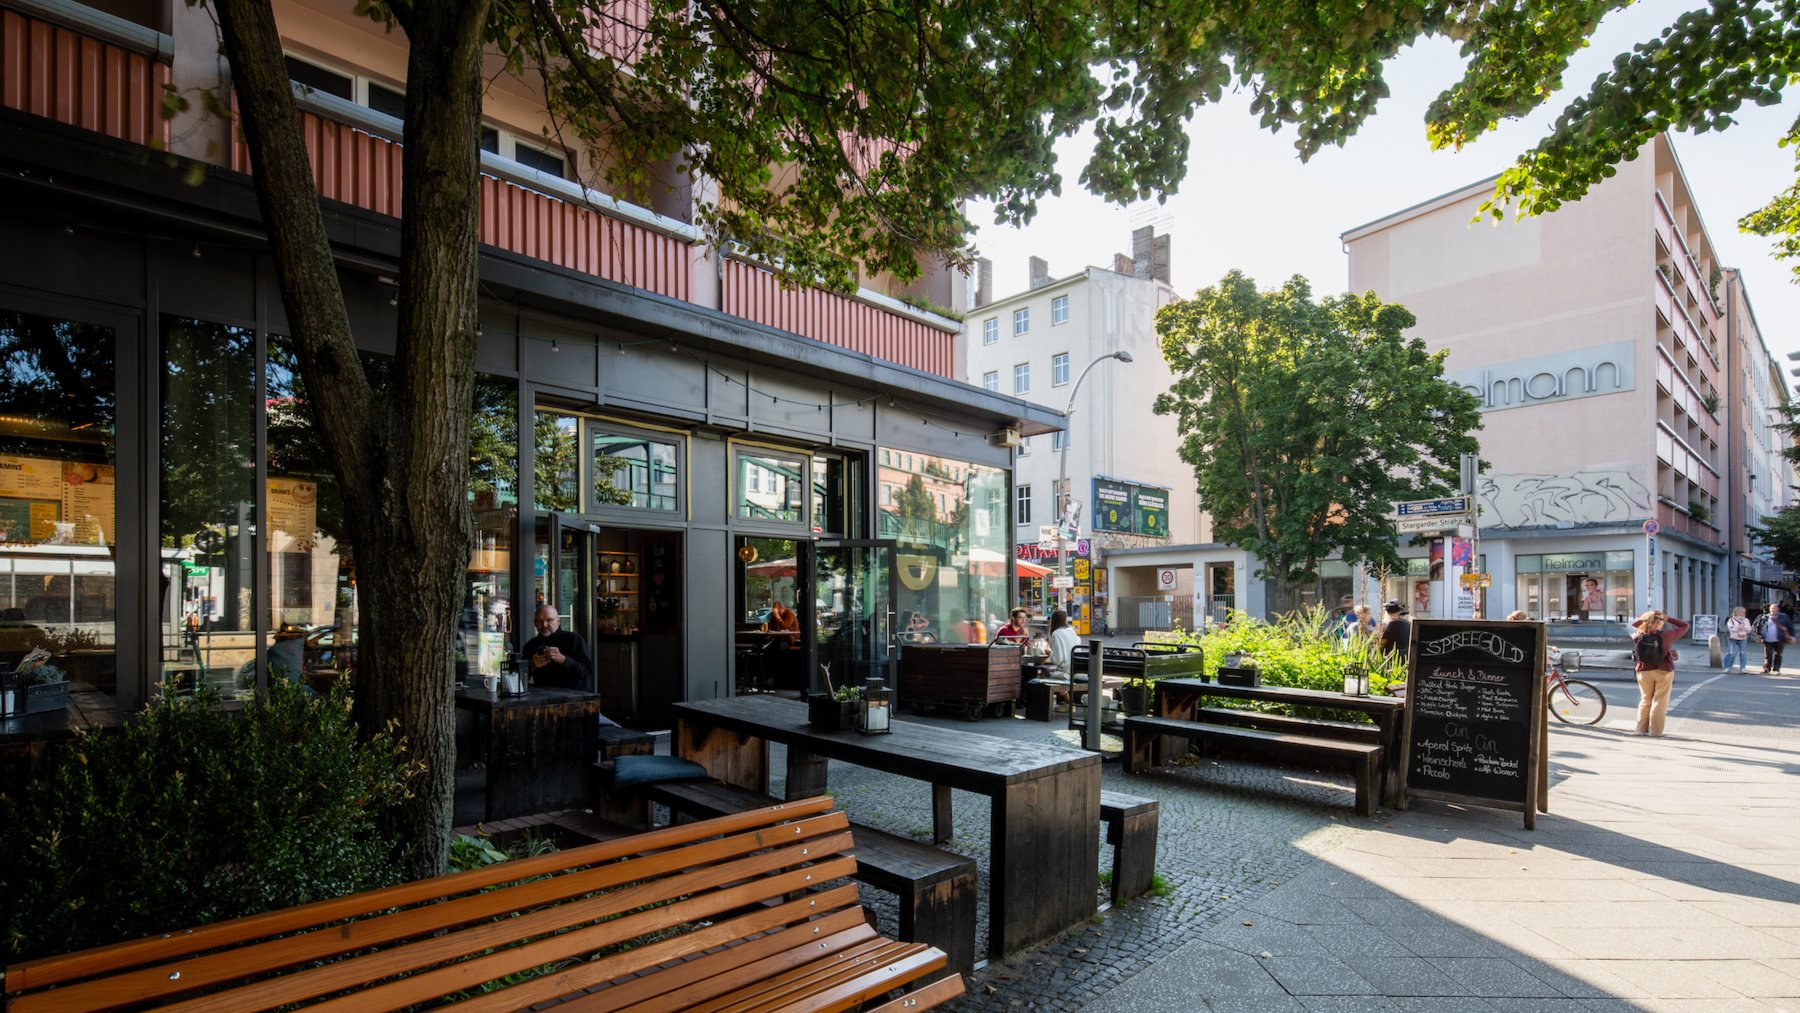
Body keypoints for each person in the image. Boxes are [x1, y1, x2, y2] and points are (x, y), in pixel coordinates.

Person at [1630, 609, 1688, 736]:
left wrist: (1647, 617)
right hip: (1664, 669)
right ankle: (1655, 732)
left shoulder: (1638, 635)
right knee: (1659, 701)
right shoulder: (1667, 635)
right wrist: (1668, 618)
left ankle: (1640, 730)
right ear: (1660, 622)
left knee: (1645, 700)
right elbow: (1685, 625)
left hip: (1643, 670)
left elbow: (1634, 625)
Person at [523, 603, 594, 692]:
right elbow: (518, 678)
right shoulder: (531, 645)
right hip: (543, 698)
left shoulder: (573, 639)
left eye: (549, 620)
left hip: (574, 697)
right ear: (535, 624)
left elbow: (587, 672)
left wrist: (563, 659)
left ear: (558, 621)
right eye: (540, 621)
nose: (544, 625)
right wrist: (532, 665)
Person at [1760, 602, 1793, 674]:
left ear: (1778, 609)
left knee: (1778, 655)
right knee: (1768, 655)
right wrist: (1758, 635)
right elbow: (1759, 626)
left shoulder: (1784, 617)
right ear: (1769, 609)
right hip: (1767, 639)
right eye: (1772, 608)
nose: (1773, 610)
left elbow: (1790, 627)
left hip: (1780, 639)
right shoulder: (1765, 617)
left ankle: (1776, 669)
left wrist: (1791, 636)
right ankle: (1766, 668)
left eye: (1775, 608)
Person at [1047, 609, 1080, 676]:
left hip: (1066, 672)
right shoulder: (1071, 631)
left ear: (1053, 621)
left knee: (1045, 673)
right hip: (1076, 668)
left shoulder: (1056, 634)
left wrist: (1050, 653)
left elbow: (1058, 660)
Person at [1724, 606, 1752, 673]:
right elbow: (1731, 628)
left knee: (1743, 653)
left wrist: (1743, 629)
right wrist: (1740, 629)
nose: (1743, 613)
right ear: (1737, 612)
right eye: (1742, 612)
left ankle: (1742, 668)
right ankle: (1727, 667)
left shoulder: (1746, 620)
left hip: (1742, 638)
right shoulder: (1731, 620)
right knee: (1730, 653)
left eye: (1744, 612)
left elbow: (1749, 629)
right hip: (1732, 638)